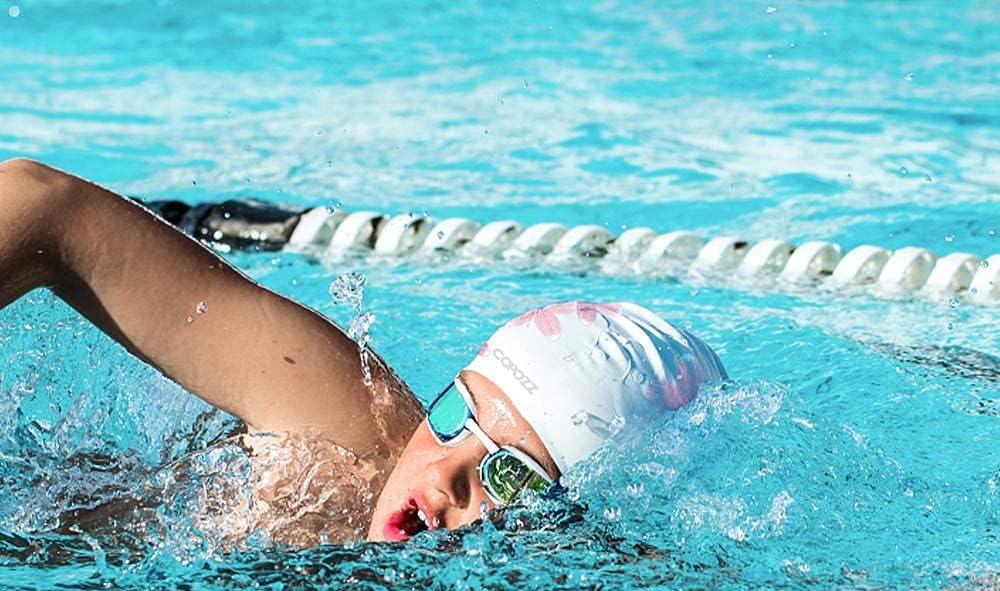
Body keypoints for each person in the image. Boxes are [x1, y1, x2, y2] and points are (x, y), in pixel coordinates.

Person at [0, 159, 727, 547]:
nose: (443, 474)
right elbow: (46, 209)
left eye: (509, 475)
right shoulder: (348, 442)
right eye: (454, 416)